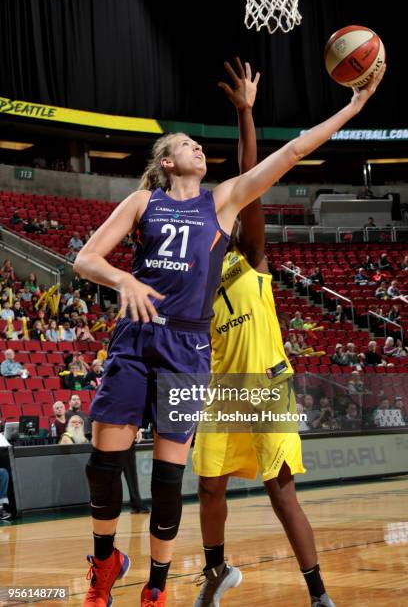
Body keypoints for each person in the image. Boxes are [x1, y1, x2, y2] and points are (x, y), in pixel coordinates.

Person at [73, 56, 384, 607]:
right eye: (187, 144)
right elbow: (88, 259)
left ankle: (194, 588)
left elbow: (287, 155)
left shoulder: (235, 225)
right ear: (166, 160)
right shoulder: (148, 205)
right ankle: (150, 566)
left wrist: (353, 107)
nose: (198, 150)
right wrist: (124, 279)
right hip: (168, 353)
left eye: (199, 145)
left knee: (226, 486)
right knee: (148, 474)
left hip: (225, 365)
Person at [192, 59, 335, 607]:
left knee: (280, 492)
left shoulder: (250, 257)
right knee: (208, 487)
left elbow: (252, 181)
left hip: (268, 383)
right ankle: (215, 574)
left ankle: (318, 593)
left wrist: (246, 115)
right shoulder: (197, 281)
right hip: (222, 388)